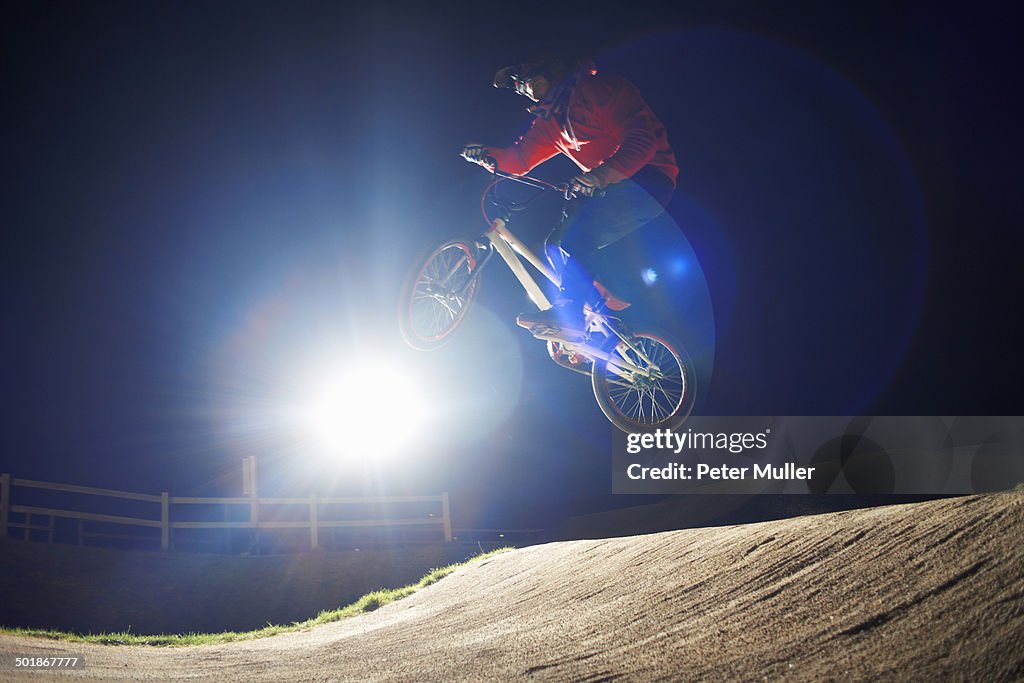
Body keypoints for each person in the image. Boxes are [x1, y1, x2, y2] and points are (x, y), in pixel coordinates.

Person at [461, 53, 679, 334]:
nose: (528, 91)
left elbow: (643, 140)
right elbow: (519, 159)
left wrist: (599, 175)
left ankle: (572, 315)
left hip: (649, 178)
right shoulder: (550, 123)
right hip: (606, 185)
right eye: (522, 88)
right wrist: (484, 155)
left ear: (552, 72)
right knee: (556, 244)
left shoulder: (601, 90)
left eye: (532, 82)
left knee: (576, 237)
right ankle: (595, 314)